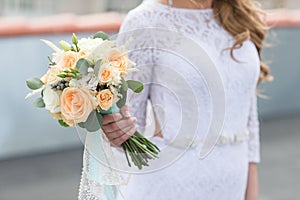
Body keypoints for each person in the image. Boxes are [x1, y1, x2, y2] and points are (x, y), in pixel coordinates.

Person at [101, 0, 272, 199]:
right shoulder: (145, 21)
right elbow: (128, 128)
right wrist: (116, 129)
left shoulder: (241, 14)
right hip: (171, 185)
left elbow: (248, 123)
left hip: (233, 184)